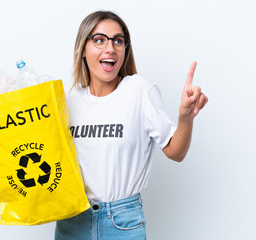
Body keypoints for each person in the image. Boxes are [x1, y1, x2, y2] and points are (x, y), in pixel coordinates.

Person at [55, 10, 208, 240]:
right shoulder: (69, 100)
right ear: (83, 50)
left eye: (118, 40)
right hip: (72, 220)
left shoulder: (139, 90)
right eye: (99, 40)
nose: (110, 48)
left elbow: (175, 152)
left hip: (122, 222)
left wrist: (185, 117)